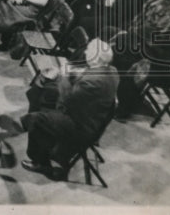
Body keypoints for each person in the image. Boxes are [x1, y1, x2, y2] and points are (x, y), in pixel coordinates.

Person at [21, 38, 119, 180]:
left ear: (95, 58)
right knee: (44, 93)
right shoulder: (112, 70)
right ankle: (42, 135)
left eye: (89, 51)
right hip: (90, 115)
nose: (85, 52)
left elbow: (67, 98)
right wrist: (72, 72)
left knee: (37, 119)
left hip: (81, 126)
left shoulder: (93, 81)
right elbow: (87, 78)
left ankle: (41, 162)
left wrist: (64, 74)